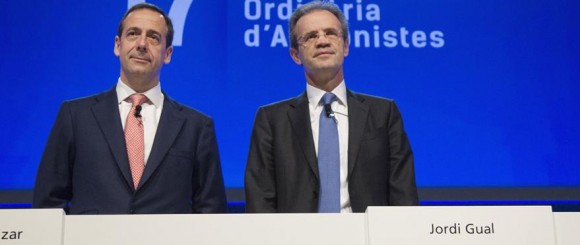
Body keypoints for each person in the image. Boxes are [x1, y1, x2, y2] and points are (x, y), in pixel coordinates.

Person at [33, 3, 227, 214]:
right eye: (133, 34)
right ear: (118, 45)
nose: (142, 44)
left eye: (154, 37)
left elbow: (211, 211)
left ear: (168, 53)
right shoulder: (75, 116)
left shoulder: (197, 127)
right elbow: (48, 204)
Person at [245, 0, 418, 213]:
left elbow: (403, 195)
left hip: (366, 241)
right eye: (310, 36)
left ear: (345, 46)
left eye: (330, 33)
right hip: (295, 242)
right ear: (295, 55)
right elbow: (260, 198)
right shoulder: (271, 120)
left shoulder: (384, 114)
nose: (322, 41)